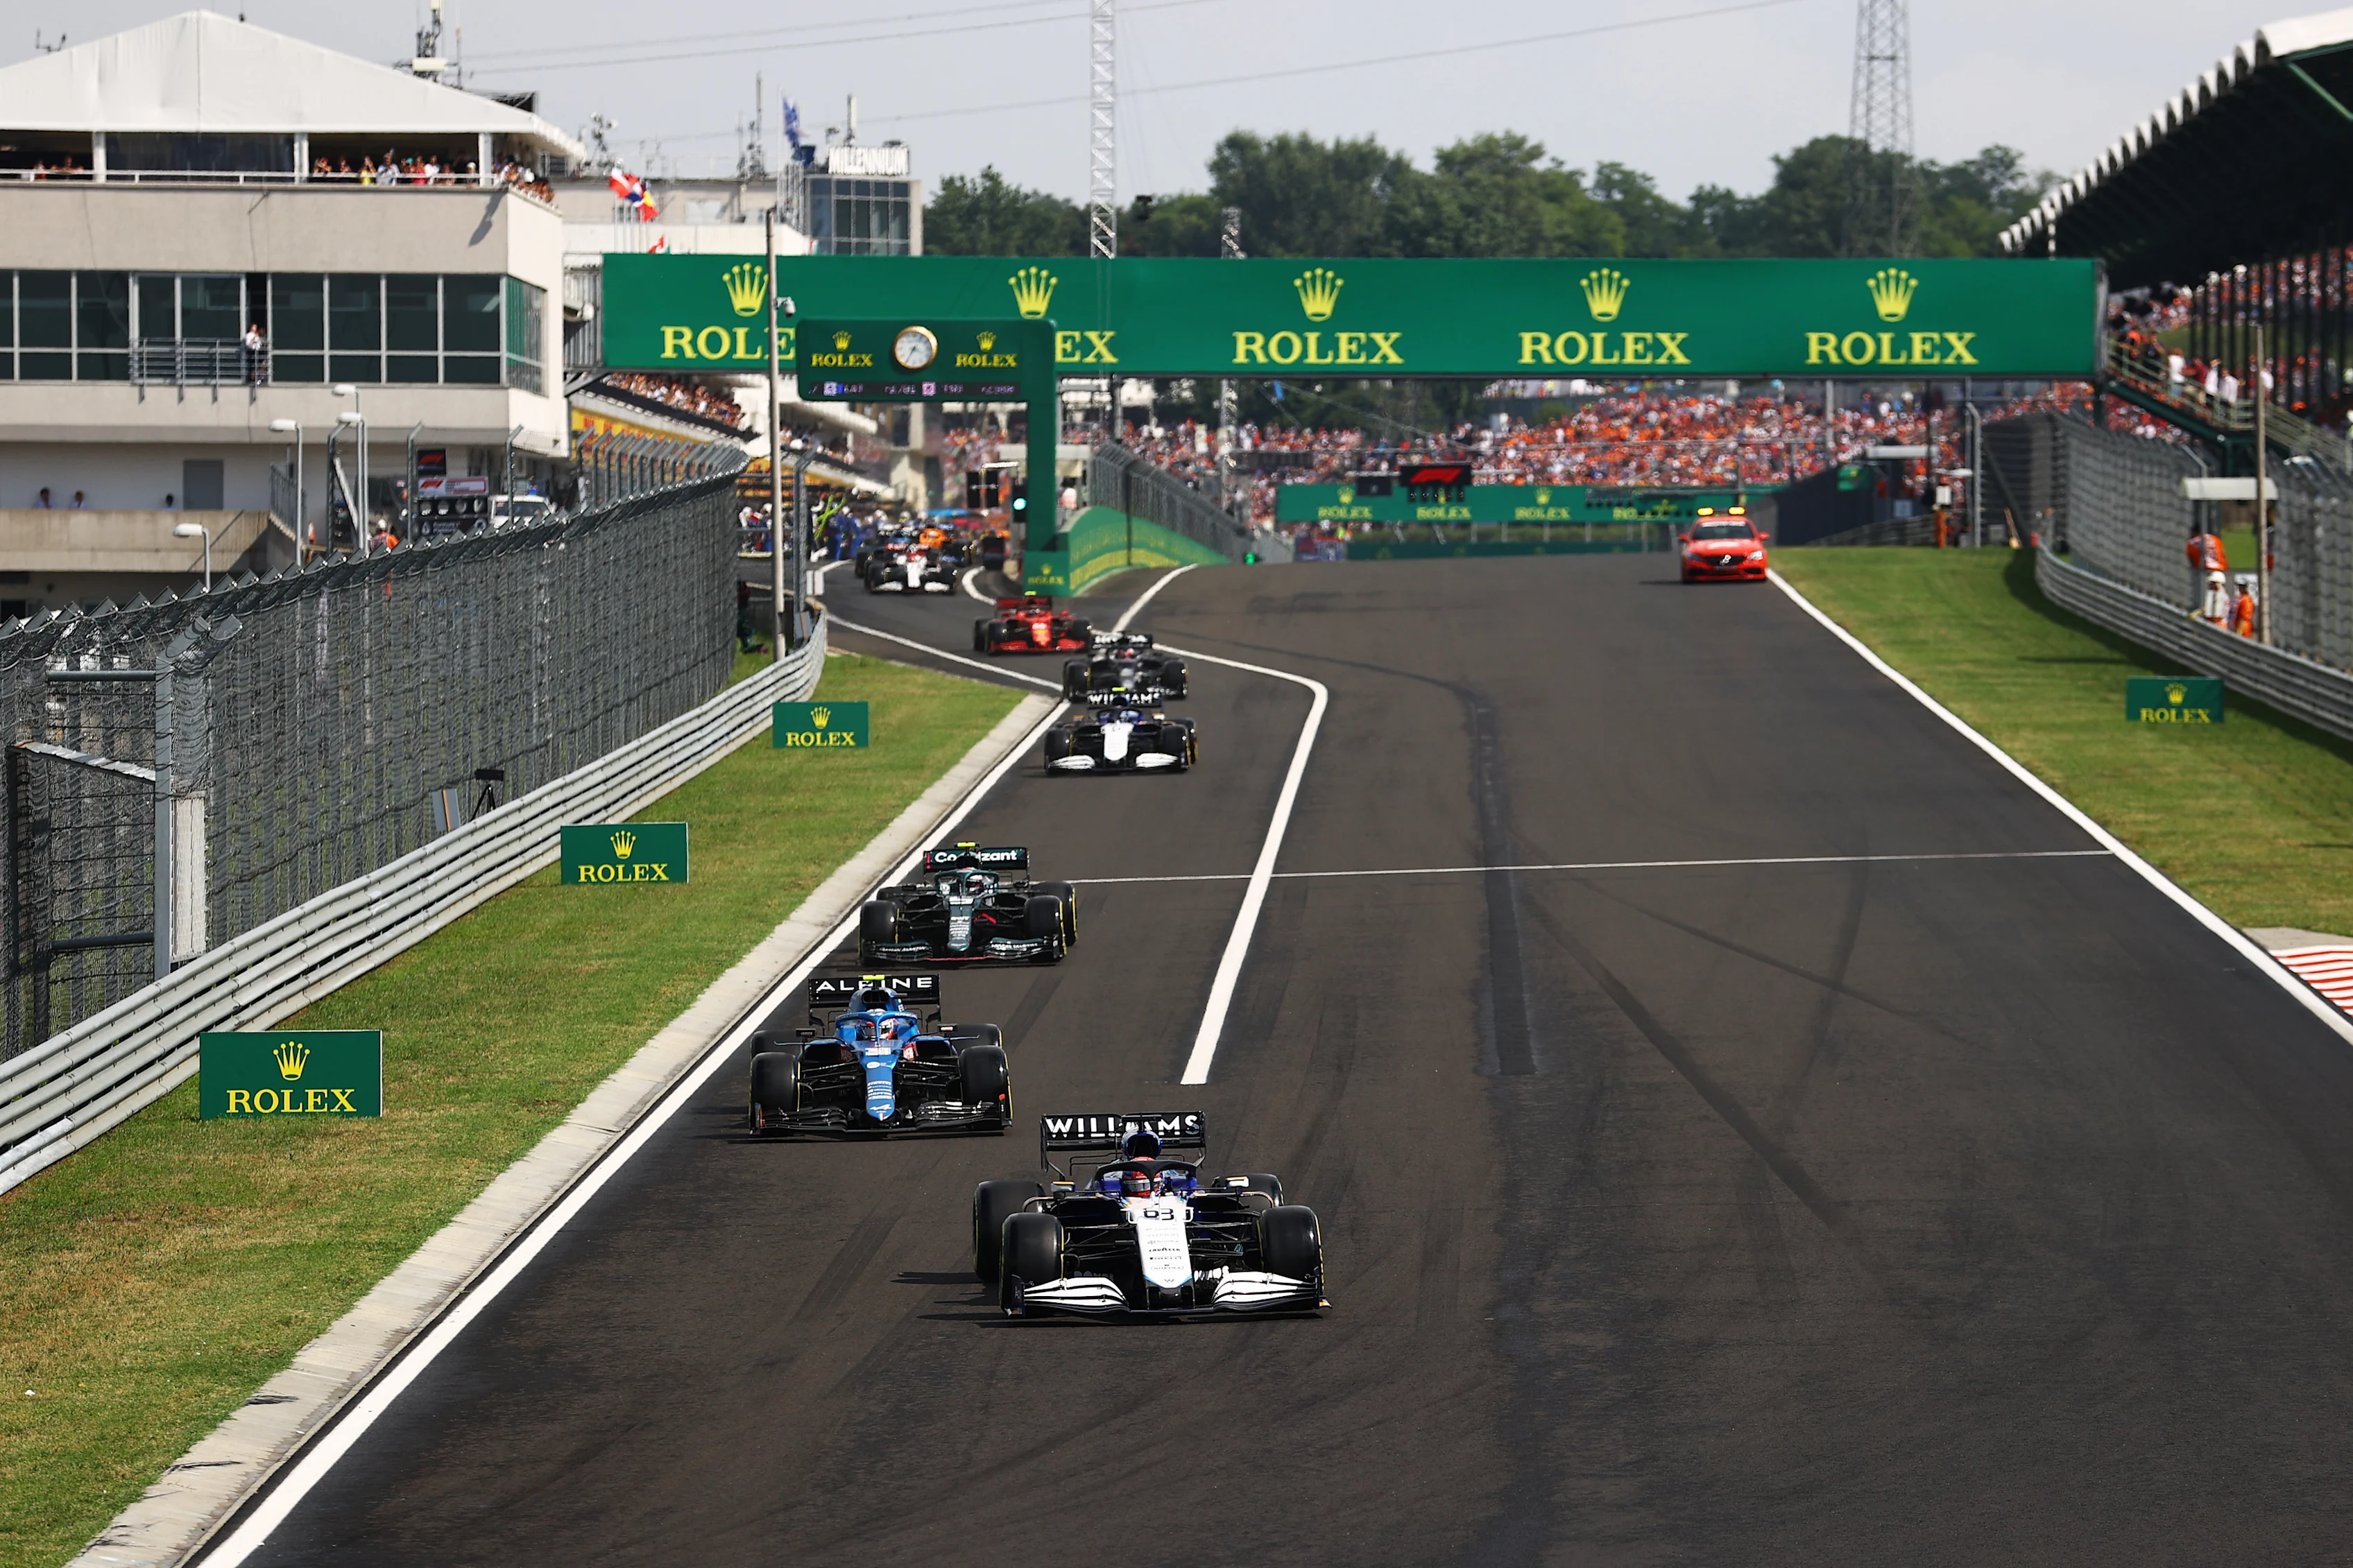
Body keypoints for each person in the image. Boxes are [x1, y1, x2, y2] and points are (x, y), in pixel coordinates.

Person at [2187, 527, 2229, 623]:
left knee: (2207, 598)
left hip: (2206, 570)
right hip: (2221, 569)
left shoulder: (2193, 541)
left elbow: (2191, 559)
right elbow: (2223, 553)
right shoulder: (2216, 539)